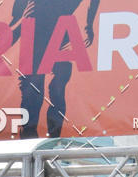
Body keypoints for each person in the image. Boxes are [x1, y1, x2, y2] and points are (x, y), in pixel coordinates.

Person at [10, 0, 100, 139]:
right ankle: (29, 138)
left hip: (62, 27)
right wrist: (15, 22)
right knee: (33, 86)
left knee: (56, 86)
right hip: (36, 24)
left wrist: (89, 25)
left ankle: (54, 139)